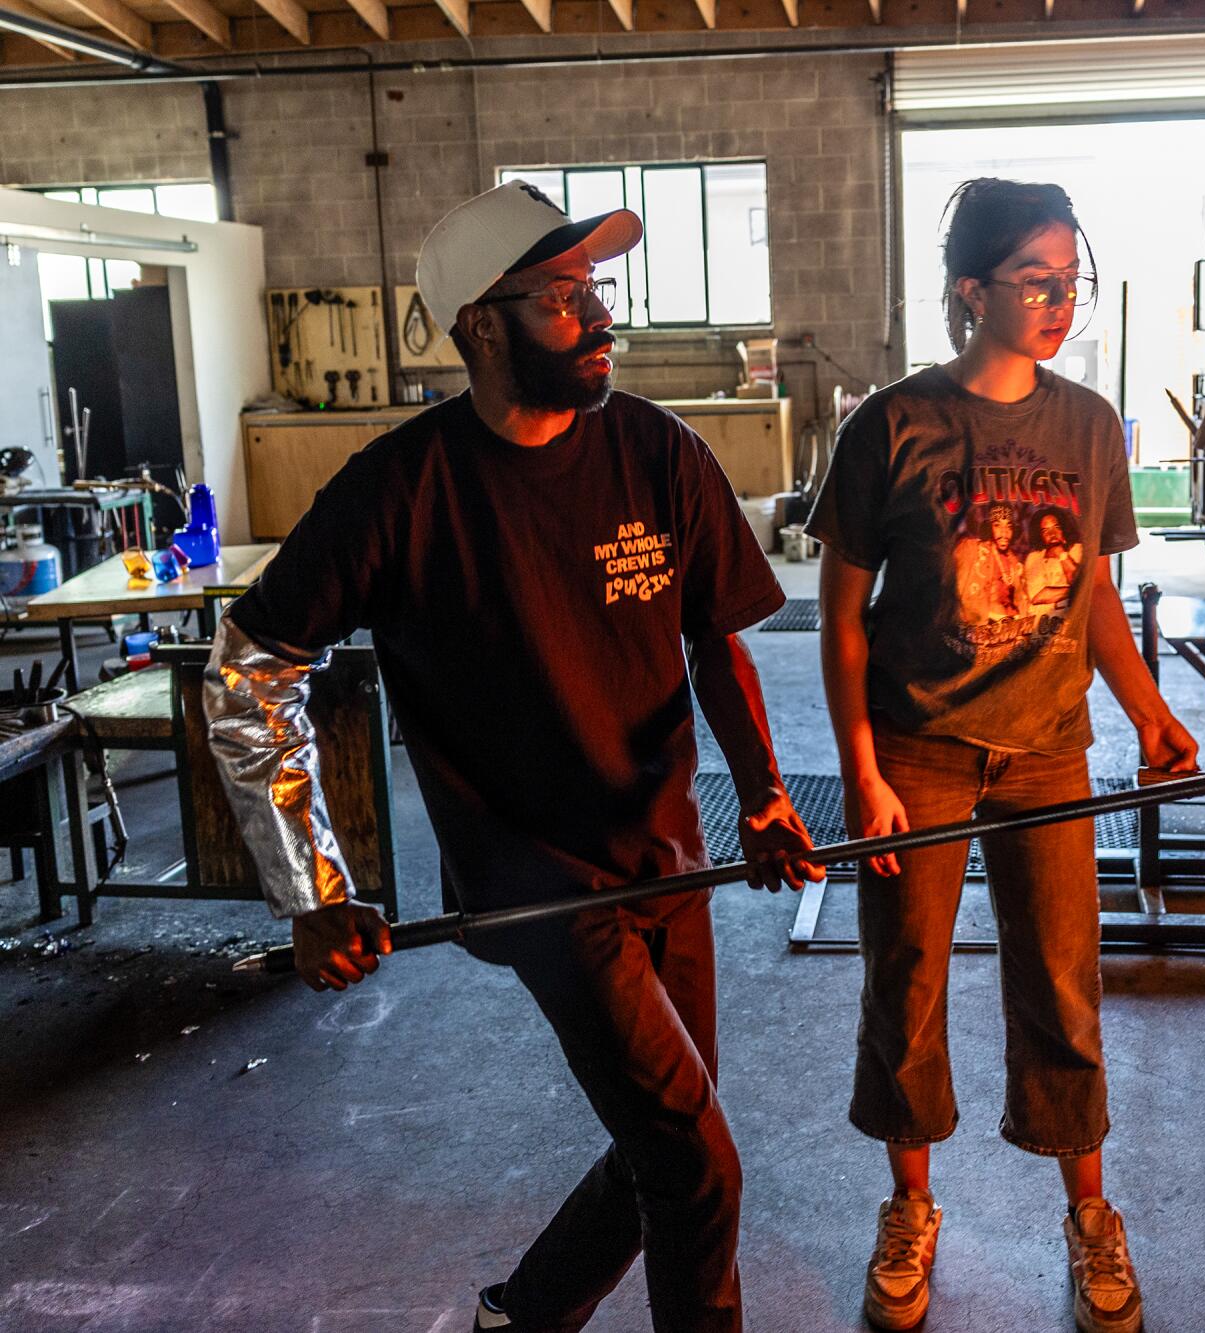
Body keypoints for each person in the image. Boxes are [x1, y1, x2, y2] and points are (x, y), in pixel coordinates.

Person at [204, 180, 821, 1333]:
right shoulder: (400, 490)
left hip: (665, 853)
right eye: (560, 295)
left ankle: (525, 1315)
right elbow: (247, 669)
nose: (597, 319)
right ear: (480, 325)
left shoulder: (655, 450)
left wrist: (766, 796)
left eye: (595, 289)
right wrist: (312, 888)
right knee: (696, 1167)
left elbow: (716, 638)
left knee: (670, 1139)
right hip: (532, 880)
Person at [808, 177, 1200, 1333]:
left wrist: (1146, 712)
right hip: (919, 752)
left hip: (1045, 753)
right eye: (1037, 283)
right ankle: (910, 1209)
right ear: (972, 290)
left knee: (1061, 988)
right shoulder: (889, 425)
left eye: (1070, 284)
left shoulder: (1085, 424)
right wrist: (863, 773)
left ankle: (1088, 1216)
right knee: (908, 983)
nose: (1059, 304)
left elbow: (1093, 602)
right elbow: (838, 618)